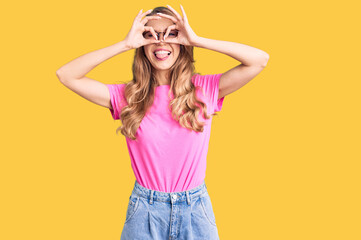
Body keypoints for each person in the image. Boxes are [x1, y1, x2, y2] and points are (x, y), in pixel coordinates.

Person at [56, 4, 269, 240]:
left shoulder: (205, 89)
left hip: (195, 210)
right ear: (142, 44)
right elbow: (66, 74)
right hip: (144, 212)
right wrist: (125, 44)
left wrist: (196, 39)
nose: (161, 42)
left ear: (182, 41)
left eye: (171, 33)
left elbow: (259, 60)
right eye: (150, 35)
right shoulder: (128, 97)